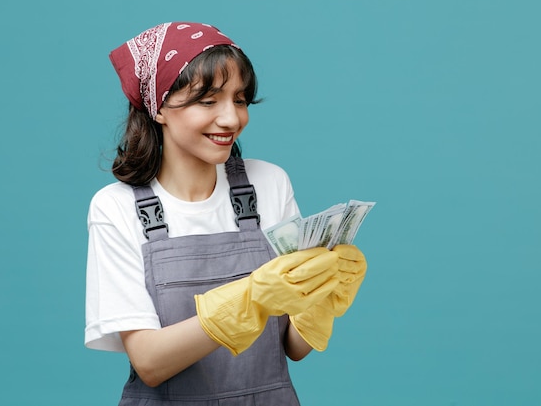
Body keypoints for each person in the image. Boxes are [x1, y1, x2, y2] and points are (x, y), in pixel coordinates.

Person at [85, 22, 368, 405]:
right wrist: (249, 299)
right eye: (208, 101)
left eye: (239, 99)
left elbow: (292, 348)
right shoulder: (116, 207)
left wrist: (322, 299)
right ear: (160, 108)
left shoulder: (269, 183)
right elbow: (149, 362)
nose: (232, 119)